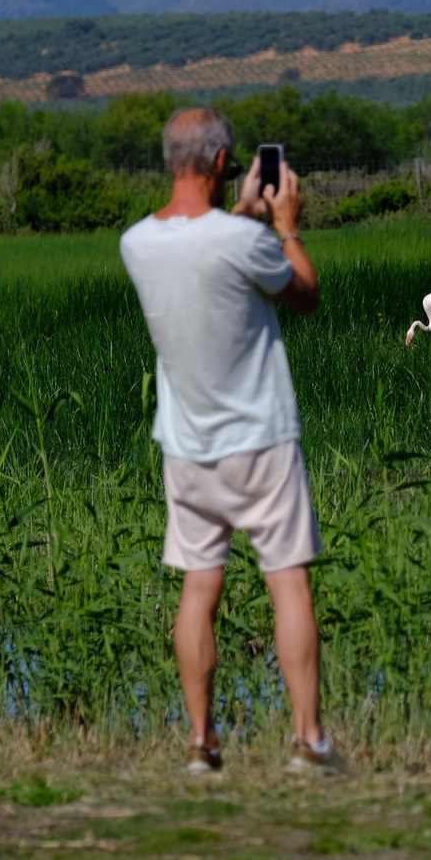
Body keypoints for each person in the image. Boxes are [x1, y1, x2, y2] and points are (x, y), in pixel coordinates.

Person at [119, 106, 343, 776]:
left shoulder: (136, 243)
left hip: (186, 445)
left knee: (198, 589)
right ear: (222, 163)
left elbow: (201, 250)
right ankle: (307, 739)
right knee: (288, 583)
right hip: (262, 439)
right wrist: (286, 224)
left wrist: (240, 215)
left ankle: (200, 741)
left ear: (170, 161)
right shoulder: (243, 241)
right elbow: (304, 293)